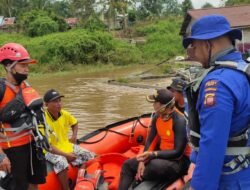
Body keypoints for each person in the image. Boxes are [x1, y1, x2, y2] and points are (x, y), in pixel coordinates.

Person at [183, 14, 250, 189]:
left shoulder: (218, 83)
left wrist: (199, 186)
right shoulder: (242, 70)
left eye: (195, 47)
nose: (194, 55)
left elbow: (212, 143)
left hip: (230, 179)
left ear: (208, 45)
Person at [118, 89, 191, 190]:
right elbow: (150, 141)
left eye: (155, 102)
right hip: (162, 155)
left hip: (179, 161)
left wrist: (154, 155)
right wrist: (142, 161)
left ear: (163, 106)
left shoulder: (179, 121)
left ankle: (139, 179)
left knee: (153, 166)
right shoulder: (157, 117)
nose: (153, 105)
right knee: (128, 165)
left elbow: (178, 153)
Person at [0, 43, 48, 190]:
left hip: (32, 144)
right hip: (11, 150)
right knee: (18, 186)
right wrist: (1, 156)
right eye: (22, 65)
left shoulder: (26, 86)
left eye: (28, 65)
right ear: (9, 66)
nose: (27, 69)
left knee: (35, 181)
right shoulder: (1, 89)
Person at [43, 89, 95, 190]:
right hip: (48, 150)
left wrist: (74, 136)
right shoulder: (43, 119)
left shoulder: (64, 114)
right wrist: (66, 155)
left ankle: (79, 180)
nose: (58, 104)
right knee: (61, 161)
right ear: (46, 104)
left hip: (65, 144)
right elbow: (48, 146)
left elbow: (75, 123)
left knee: (88, 155)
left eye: (59, 101)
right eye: (55, 101)